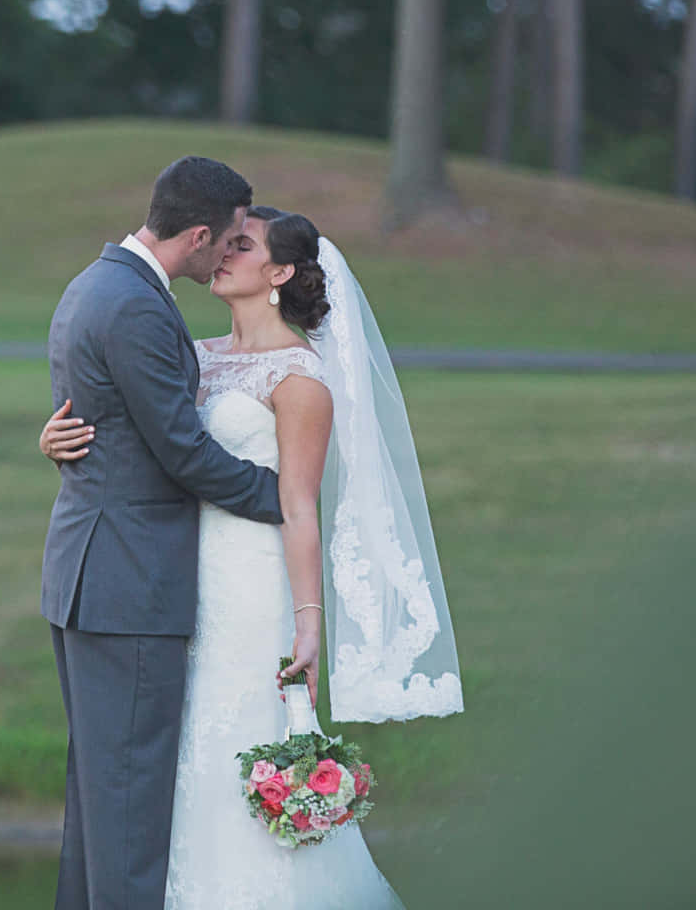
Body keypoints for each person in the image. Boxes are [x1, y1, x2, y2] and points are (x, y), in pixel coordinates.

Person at [41, 202, 464, 909]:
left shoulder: (300, 379)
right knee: (171, 763)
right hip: (173, 577)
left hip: (251, 587)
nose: (224, 253)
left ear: (280, 272)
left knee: (237, 735)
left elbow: (299, 505)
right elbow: (140, 433)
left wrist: (307, 620)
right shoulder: (192, 352)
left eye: (243, 245)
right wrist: (51, 443)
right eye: (226, 241)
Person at [39, 157, 288, 910]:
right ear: (202, 234)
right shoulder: (138, 306)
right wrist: (288, 498)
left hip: (93, 576)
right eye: (233, 240)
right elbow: (180, 450)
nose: (232, 256)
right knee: (128, 811)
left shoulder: (96, 281)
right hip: (129, 583)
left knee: (101, 807)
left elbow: (104, 428)